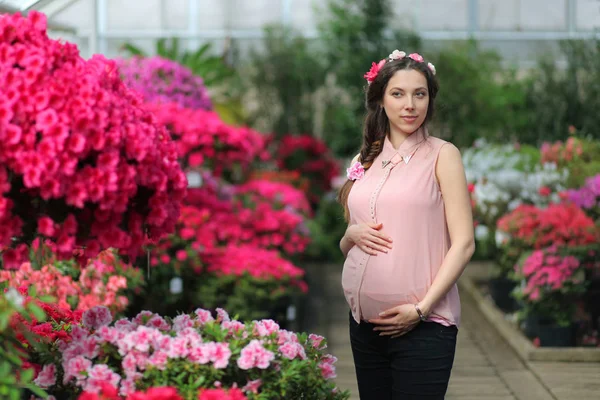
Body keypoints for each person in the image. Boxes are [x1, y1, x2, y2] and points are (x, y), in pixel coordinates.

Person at [337, 50, 475, 400]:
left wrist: (420, 309)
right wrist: (349, 235)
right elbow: (351, 242)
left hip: (422, 327)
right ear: (380, 100)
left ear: (430, 99)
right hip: (364, 329)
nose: (410, 104)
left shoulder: (443, 155)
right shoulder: (363, 160)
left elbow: (464, 244)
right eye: (398, 94)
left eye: (420, 93)